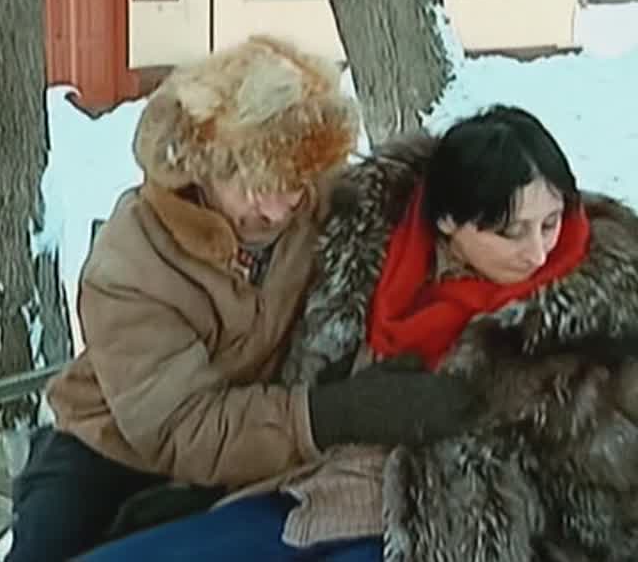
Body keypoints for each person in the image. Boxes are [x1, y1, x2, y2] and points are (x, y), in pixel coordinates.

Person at [83, 105, 638, 560]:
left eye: (550, 223)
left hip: (443, 532)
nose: (538, 252)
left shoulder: (591, 319)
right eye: (511, 232)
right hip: (307, 485)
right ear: (448, 222)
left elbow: (607, 497)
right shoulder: (367, 238)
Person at [5, 36, 480, 562]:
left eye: (295, 182)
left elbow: (415, 204)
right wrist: (338, 413)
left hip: (257, 441)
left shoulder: (311, 201)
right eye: (261, 186)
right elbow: (182, 427)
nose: (280, 209)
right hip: (114, 441)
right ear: (206, 167)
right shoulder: (129, 267)